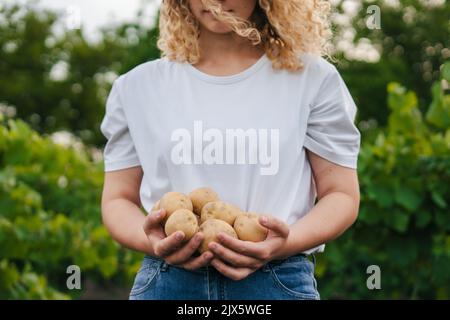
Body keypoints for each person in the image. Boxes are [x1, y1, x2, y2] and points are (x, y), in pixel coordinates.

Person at [100, 0, 361, 300]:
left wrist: (285, 243)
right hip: (169, 282)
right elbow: (117, 199)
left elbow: (341, 194)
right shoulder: (137, 87)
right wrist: (155, 241)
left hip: (276, 281)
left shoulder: (313, 79)